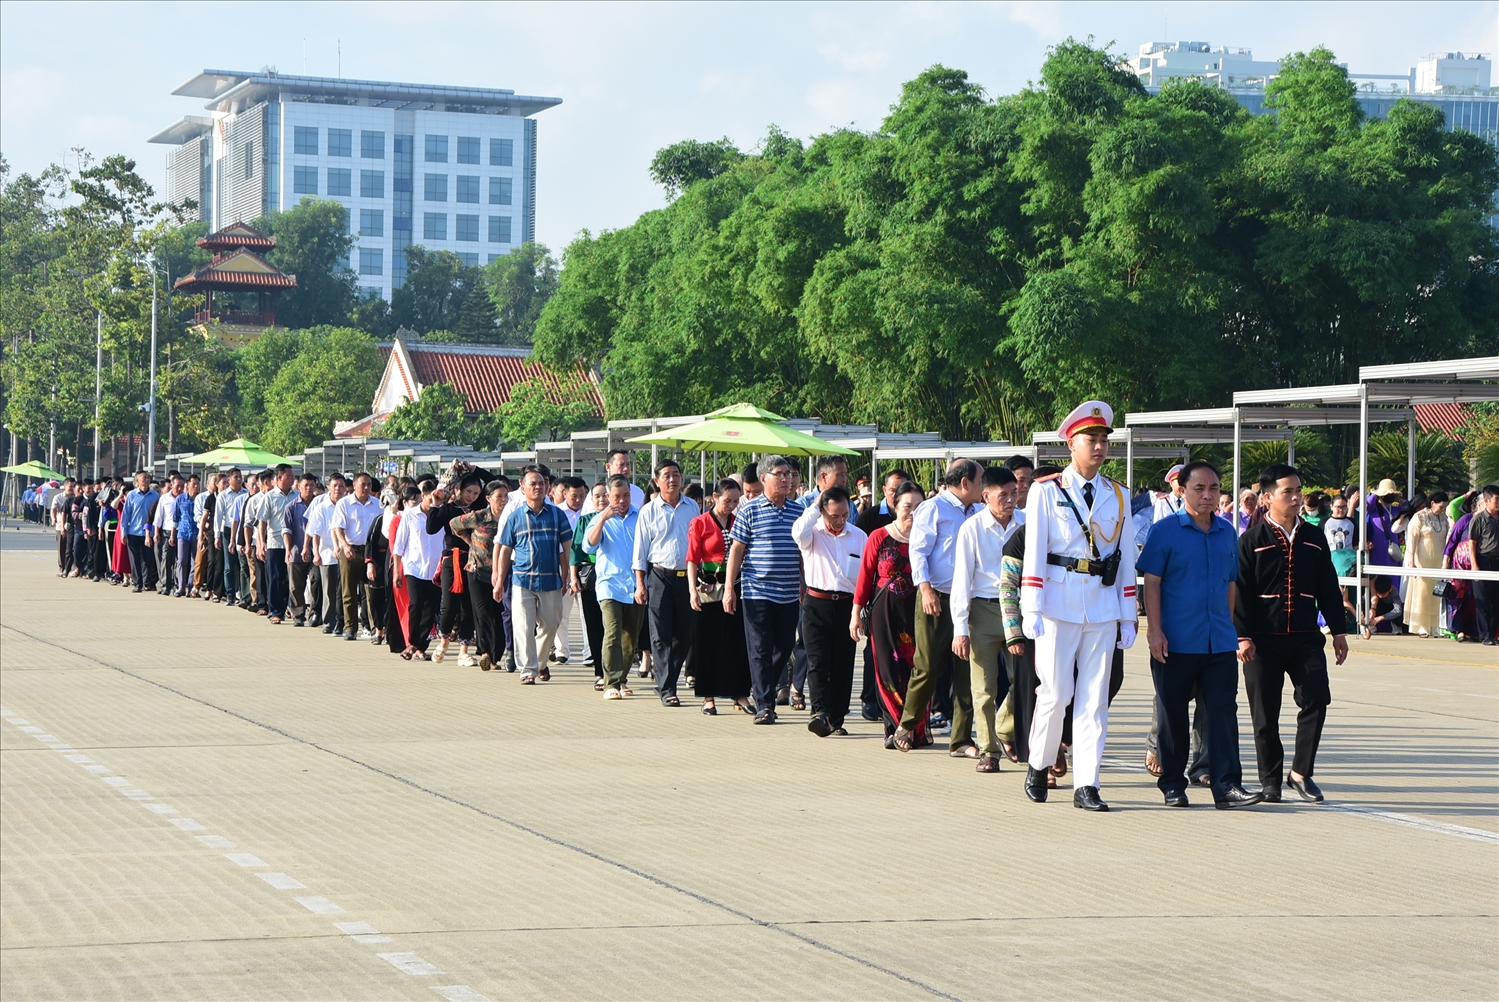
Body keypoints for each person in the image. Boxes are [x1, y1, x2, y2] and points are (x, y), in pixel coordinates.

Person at [1021, 401, 1138, 812]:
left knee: (1095, 698)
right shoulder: (1046, 490)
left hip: (1103, 607)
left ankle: (1087, 782)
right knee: (1055, 692)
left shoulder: (1118, 495)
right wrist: (1030, 608)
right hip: (1057, 602)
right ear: (1072, 443)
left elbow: (1125, 558)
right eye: (1092, 439)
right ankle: (1038, 764)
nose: (1100, 447)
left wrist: (1128, 613)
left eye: (1105, 440)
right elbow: (1034, 551)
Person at [1140, 460, 1264, 809]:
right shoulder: (1165, 531)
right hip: (1176, 640)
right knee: (1172, 714)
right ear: (1182, 490)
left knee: (1223, 712)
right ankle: (1173, 783)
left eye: (1214, 488)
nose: (1208, 495)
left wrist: (1229, 629)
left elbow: (1230, 584)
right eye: (1200, 488)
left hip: (1218, 641)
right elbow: (1152, 582)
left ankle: (1226, 785)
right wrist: (1155, 632)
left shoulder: (1227, 532)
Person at [1235, 463, 1350, 803]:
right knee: (1264, 712)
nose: (1297, 496)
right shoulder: (1250, 540)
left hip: (1304, 637)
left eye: (1299, 490)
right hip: (1261, 640)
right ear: (1267, 498)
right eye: (1289, 491)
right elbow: (1238, 591)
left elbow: (1328, 587)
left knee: (1316, 697)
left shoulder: (1314, 538)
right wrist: (1241, 635)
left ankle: (1301, 772)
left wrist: (1339, 631)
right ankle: (1269, 779)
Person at [895, 458, 982, 755]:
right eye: (980, 481)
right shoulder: (934, 508)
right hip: (937, 597)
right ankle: (907, 724)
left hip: (969, 601)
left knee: (966, 670)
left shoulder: (980, 511)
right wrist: (926, 589)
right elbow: (918, 551)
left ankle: (961, 739)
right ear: (965, 483)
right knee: (928, 665)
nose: (983, 488)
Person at [950, 466, 1023, 773]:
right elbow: (961, 581)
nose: (1009, 500)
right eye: (1002, 495)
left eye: (1014, 493)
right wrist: (960, 628)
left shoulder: (1028, 523)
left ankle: (1005, 729)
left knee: (1027, 679)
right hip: (982, 610)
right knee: (983, 688)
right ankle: (988, 750)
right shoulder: (972, 528)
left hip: (1018, 611)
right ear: (986, 496)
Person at [725, 455, 803, 725]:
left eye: (788, 474)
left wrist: (804, 584)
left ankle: (762, 687)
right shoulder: (749, 510)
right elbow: (737, 550)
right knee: (759, 648)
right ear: (764, 479)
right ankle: (765, 706)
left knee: (783, 646)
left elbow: (804, 553)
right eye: (779, 474)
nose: (786, 479)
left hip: (789, 592)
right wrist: (728, 589)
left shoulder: (798, 511)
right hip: (756, 591)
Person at [852, 480, 926, 749]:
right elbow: (865, 577)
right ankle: (893, 727)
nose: (913, 512)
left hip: (919, 612)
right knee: (887, 668)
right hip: (884, 612)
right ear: (895, 506)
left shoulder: (928, 537)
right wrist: (856, 613)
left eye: (919, 507)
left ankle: (917, 727)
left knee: (918, 669)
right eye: (908, 506)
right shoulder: (879, 536)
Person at [793, 485, 866, 736]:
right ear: (822, 511)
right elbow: (797, 530)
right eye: (834, 515)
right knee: (818, 660)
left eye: (844, 515)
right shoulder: (811, 534)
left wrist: (861, 610)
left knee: (843, 664)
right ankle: (820, 712)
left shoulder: (858, 536)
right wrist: (814, 507)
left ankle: (837, 719)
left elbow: (865, 576)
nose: (840, 521)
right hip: (816, 603)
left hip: (847, 605)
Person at [495, 465, 574, 684]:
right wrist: (499, 580)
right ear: (522, 487)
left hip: (550, 579)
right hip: (522, 579)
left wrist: (567, 574)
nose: (538, 487)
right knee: (524, 626)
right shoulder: (515, 515)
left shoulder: (557, 515)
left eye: (541, 483)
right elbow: (505, 549)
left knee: (551, 624)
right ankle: (528, 670)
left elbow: (566, 546)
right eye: (533, 483)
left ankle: (539, 662)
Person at [633, 459, 698, 706]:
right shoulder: (648, 511)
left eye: (676, 475)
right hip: (659, 577)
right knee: (660, 636)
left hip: (686, 578)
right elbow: (640, 551)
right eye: (667, 475)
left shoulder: (692, 506)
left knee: (685, 636)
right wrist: (640, 584)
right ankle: (667, 688)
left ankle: (666, 679)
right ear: (657, 480)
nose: (672, 479)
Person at [687, 478, 752, 714]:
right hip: (710, 587)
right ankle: (708, 695)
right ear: (714, 497)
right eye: (727, 500)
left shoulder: (739, 521)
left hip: (736, 585)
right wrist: (692, 589)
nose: (731, 505)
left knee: (737, 642)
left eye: (736, 501)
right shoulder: (700, 523)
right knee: (708, 642)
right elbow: (692, 559)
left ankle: (740, 693)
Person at [586, 475, 642, 698]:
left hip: (636, 585)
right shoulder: (599, 518)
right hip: (610, 585)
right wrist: (603, 518)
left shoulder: (640, 516)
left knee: (631, 638)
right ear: (608, 496)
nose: (622, 500)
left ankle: (622, 679)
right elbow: (589, 546)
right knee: (612, 634)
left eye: (626, 495)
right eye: (617, 497)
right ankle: (610, 683)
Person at [450, 479, 510, 670]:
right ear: (488, 498)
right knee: (483, 613)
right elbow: (454, 524)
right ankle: (485, 653)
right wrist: (469, 541)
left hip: (502, 574)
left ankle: (496, 656)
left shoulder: (512, 518)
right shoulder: (479, 517)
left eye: (505, 496)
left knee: (499, 614)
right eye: (498, 496)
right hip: (477, 572)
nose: (503, 500)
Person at [392, 480, 446, 659]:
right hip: (413, 567)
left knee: (431, 609)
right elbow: (399, 545)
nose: (434, 502)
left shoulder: (441, 515)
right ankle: (412, 641)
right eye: (431, 498)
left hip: (435, 569)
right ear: (423, 495)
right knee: (415, 604)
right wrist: (397, 572)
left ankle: (419, 645)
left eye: (437, 499)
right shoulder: (410, 516)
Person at [332, 472, 382, 641]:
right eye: (363, 484)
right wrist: (344, 545)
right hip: (350, 550)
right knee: (349, 591)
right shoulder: (344, 504)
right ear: (354, 486)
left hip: (371, 552)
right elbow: (338, 528)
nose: (367, 488)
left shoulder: (377, 504)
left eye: (369, 484)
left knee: (372, 591)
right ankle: (351, 627)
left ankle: (375, 627)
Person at [570, 481, 608, 684]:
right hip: (591, 577)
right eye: (597, 496)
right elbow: (575, 550)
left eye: (605, 495)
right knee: (594, 625)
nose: (602, 499)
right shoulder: (585, 521)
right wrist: (573, 577)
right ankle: (599, 671)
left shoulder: (619, 519)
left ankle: (616, 670)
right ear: (591, 500)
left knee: (613, 625)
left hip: (614, 579)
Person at [1402, 492, 1450, 638]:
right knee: (1422, 593)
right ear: (1433, 502)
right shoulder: (1419, 517)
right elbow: (1412, 541)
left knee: (1436, 593)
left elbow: (1448, 539)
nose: (1442, 510)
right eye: (1441, 506)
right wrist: (1412, 562)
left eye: (1444, 507)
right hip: (1422, 560)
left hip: (1438, 560)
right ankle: (1421, 626)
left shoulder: (1444, 518)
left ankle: (1435, 626)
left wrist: (1446, 561)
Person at [307, 475, 346, 635]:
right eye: (335, 485)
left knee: (343, 590)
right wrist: (316, 552)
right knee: (329, 590)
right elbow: (315, 533)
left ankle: (343, 621)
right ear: (329, 486)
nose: (338, 489)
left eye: (341, 486)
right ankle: (329, 621)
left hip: (346, 555)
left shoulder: (347, 505)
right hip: (327, 555)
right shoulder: (321, 508)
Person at [1442, 490, 1481, 641]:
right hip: (1459, 566)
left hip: (1476, 565)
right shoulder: (1465, 519)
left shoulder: (1490, 521)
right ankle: (1458, 630)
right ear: (1475, 507)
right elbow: (1452, 541)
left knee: (1473, 599)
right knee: (1457, 597)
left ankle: (1472, 630)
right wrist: (1445, 562)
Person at [1467, 484, 1499, 645]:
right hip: (1483, 560)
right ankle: (1484, 635)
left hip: (1497, 563)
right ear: (1487, 501)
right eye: (1497, 500)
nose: (1498, 503)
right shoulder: (1478, 519)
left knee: (1496, 601)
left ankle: (1493, 635)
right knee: (1483, 600)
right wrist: (1475, 565)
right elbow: (1471, 543)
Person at [285, 475, 316, 626]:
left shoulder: (319, 504)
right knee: (296, 586)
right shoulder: (291, 507)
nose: (309, 488)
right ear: (299, 487)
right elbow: (286, 531)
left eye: (311, 485)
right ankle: (298, 614)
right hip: (296, 551)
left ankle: (315, 613)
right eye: (306, 485)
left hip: (316, 552)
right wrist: (287, 550)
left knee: (316, 581)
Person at [120, 472, 159, 593]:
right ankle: (138, 584)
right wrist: (124, 532)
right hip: (133, 532)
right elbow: (126, 514)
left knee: (149, 559)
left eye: (148, 478)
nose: (146, 480)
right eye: (143, 478)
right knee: (135, 560)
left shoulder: (155, 495)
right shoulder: (131, 495)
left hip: (149, 533)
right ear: (137, 481)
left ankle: (148, 582)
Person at [1364, 478, 1406, 569]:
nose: (1389, 496)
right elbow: (1368, 504)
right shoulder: (1373, 510)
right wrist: (1377, 494)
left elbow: (1411, 507)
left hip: (1393, 552)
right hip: (1377, 551)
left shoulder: (1396, 510)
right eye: (1386, 494)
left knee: (1394, 580)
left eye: (1391, 494)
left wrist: (1399, 499)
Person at [172, 475, 200, 597]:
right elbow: (175, 518)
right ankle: (181, 587)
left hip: (197, 533)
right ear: (187, 485)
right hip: (183, 533)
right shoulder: (180, 499)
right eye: (193, 484)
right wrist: (173, 535)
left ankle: (191, 587)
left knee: (196, 561)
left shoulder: (201, 499)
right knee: (182, 560)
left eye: (198, 484)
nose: (196, 486)